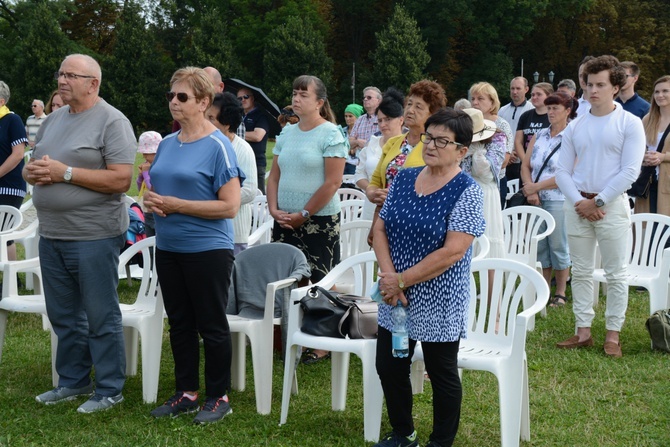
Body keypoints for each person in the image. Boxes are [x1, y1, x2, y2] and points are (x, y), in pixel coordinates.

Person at [25, 54, 136, 413]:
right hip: (52, 233)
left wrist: (65, 174)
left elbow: (122, 179)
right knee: (63, 314)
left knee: (100, 313)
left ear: (93, 84)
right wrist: (33, 175)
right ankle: (73, 380)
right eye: (61, 73)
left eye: (71, 75)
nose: (62, 79)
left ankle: (109, 388)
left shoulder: (112, 121)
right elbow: (38, 163)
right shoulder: (53, 119)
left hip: (93, 235)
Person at [372, 108, 485, 447]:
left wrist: (402, 280)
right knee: (390, 366)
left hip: (438, 297)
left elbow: (453, 251)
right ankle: (403, 433)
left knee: (442, 373)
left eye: (442, 140)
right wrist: (390, 277)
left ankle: (440, 442)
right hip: (396, 296)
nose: (431, 145)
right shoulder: (405, 178)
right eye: (428, 137)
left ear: (462, 151)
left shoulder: (467, 190)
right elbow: (379, 229)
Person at [144, 67, 243, 423]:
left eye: (182, 97)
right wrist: (151, 200)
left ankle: (219, 396)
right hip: (169, 248)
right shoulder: (168, 144)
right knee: (181, 323)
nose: (174, 102)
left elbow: (229, 206)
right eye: (170, 95)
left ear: (203, 102)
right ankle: (186, 392)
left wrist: (176, 205)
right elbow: (158, 187)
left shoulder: (218, 146)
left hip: (207, 250)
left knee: (211, 324)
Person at [555, 55, 645, 358]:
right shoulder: (575, 126)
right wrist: (581, 202)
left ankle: (612, 335)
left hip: (613, 206)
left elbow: (630, 171)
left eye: (600, 85)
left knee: (616, 273)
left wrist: (598, 201)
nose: (593, 90)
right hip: (578, 204)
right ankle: (583, 331)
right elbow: (562, 171)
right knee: (580, 271)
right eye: (589, 84)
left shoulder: (630, 123)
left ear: (616, 87)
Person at [267, 75, 347, 365]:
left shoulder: (331, 134)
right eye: (294, 93)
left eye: (304, 94)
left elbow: (333, 182)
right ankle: (288, 334)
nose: (296, 99)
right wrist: (273, 208)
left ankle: (324, 342)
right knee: (285, 276)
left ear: (320, 102)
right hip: (284, 218)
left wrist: (304, 214)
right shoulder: (288, 132)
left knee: (321, 278)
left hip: (318, 219)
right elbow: (274, 174)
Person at [366, 80, 447, 244]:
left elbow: (439, 189)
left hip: (417, 224)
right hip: (384, 221)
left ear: (432, 114)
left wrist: (397, 198)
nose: (410, 110)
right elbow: (375, 181)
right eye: (409, 104)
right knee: (382, 269)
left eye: (418, 107)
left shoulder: (436, 147)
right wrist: (373, 193)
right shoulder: (393, 143)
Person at [520, 92, 577, 307]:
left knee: (558, 245)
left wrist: (538, 186)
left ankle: (561, 292)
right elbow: (526, 165)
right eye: (549, 108)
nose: (551, 112)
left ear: (567, 111)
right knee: (540, 246)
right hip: (535, 198)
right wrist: (530, 189)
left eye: (556, 108)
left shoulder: (573, 137)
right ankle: (543, 288)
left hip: (558, 198)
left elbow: (570, 173)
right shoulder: (540, 135)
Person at [207, 91, 258, 254]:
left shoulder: (242, 149)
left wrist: (216, 199)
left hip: (233, 233)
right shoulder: (203, 146)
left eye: (211, 118)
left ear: (227, 123)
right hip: (205, 231)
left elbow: (250, 191)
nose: (204, 122)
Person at [460, 108, 506, 260]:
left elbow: (487, 174)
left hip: (486, 192)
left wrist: (477, 152)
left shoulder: (498, 138)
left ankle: (491, 284)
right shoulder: (457, 142)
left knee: (489, 242)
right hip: (463, 192)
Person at [353, 88, 405, 221]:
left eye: (388, 119)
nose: (383, 124)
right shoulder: (372, 143)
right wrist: (373, 190)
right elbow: (359, 174)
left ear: (401, 120)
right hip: (372, 205)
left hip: (399, 207)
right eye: (380, 120)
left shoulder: (408, 146)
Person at [470, 82, 514, 208]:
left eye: (480, 98)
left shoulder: (501, 125)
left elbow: (504, 161)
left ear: (492, 102)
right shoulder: (468, 124)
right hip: (470, 182)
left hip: (494, 184)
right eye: (473, 99)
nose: (475, 102)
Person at [0, 81, 29, 263]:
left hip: (9, 187)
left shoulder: (13, 120)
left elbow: (18, 154)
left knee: (4, 233)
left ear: (1, 101)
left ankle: (11, 279)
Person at [633, 75, 670, 215]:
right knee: (646, 229)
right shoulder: (648, 119)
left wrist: (663, 156)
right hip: (647, 182)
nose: (660, 95)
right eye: (657, 92)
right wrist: (644, 157)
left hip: (666, 183)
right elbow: (636, 148)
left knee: (665, 230)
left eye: (665, 91)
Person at [514, 82, 554, 182]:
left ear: (549, 96)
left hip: (546, 168)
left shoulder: (552, 117)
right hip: (526, 168)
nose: (534, 97)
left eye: (539, 94)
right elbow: (518, 142)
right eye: (532, 95)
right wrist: (526, 162)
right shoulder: (525, 116)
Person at [498, 77, 534, 182]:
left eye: (518, 88)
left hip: (524, 161)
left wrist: (517, 152)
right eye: (512, 88)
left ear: (526, 89)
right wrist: (507, 153)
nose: (514, 92)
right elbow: (498, 135)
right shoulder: (502, 110)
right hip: (505, 161)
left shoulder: (531, 110)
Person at [239, 87, 270, 194]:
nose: (242, 100)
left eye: (246, 97)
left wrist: (236, 134)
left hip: (257, 161)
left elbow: (257, 136)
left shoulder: (261, 115)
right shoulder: (239, 115)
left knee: (258, 195)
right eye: (239, 98)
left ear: (252, 98)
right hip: (240, 160)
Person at [136, 131, 162, 237]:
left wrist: (146, 173)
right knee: (149, 241)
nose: (144, 156)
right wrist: (141, 177)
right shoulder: (149, 166)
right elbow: (140, 189)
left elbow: (152, 189)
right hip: (147, 212)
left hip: (157, 213)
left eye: (147, 153)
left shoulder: (160, 169)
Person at [348, 86, 382, 152]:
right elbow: (349, 143)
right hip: (360, 160)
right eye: (364, 98)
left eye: (369, 97)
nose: (365, 99)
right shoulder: (360, 120)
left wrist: (367, 144)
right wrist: (357, 142)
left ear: (379, 101)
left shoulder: (385, 119)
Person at [342, 103, 364, 175]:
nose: (347, 118)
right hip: (343, 164)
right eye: (346, 116)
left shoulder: (363, 132)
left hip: (357, 165)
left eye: (350, 116)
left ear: (358, 117)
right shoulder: (341, 131)